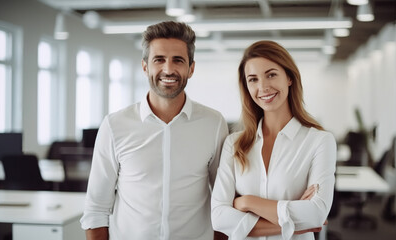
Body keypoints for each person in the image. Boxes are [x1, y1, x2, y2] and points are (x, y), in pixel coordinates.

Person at [80, 21, 229, 240]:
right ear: (145, 66)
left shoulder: (214, 124)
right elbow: (96, 209)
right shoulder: (114, 125)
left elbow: (222, 202)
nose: (168, 69)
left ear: (191, 68)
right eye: (159, 60)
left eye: (178, 60)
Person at [211, 40, 336, 240]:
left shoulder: (319, 141)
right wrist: (295, 223)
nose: (263, 87)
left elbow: (316, 214)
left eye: (271, 74)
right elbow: (219, 217)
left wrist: (246, 202)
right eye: (253, 79)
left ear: (289, 77)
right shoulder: (234, 144)